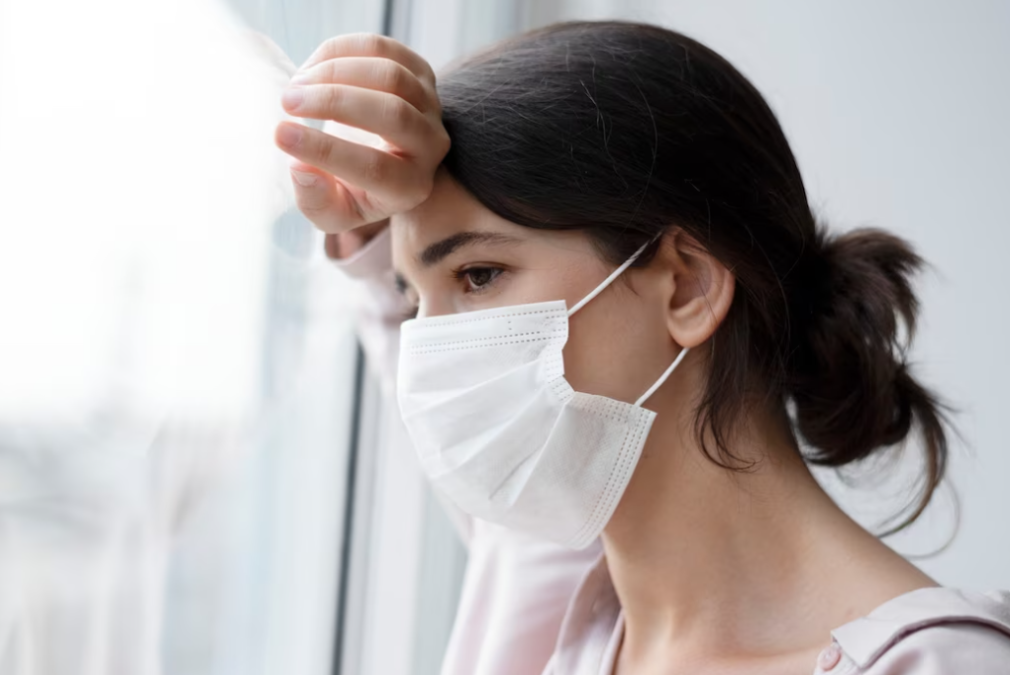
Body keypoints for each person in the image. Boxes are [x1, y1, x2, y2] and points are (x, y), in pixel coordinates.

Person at [273, 22, 1010, 674]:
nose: (431, 352)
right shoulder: (558, 590)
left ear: (686, 285)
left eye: (478, 275)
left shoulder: (941, 664)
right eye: (414, 301)